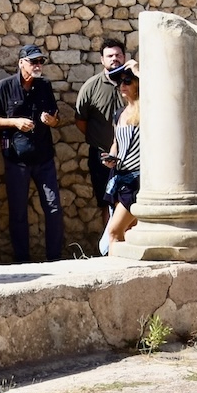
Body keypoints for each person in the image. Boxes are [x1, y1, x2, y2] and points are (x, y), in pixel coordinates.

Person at [0, 44, 65, 263]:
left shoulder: (44, 86)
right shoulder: (4, 86)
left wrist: (52, 121)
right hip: (17, 160)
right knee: (18, 213)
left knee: (53, 208)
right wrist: (14, 122)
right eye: (33, 61)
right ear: (21, 63)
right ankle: (22, 260)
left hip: (44, 159)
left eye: (40, 61)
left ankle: (55, 258)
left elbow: (56, 117)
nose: (37, 65)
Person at [73, 37, 127, 231]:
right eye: (110, 56)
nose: (114, 59)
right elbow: (80, 120)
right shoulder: (91, 87)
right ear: (102, 60)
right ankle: (110, 247)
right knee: (107, 202)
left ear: (125, 57)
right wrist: (98, 140)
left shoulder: (134, 84)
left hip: (133, 157)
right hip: (102, 155)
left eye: (118, 55)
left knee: (131, 201)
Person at [103, 61, 142, 246]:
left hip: (137, 180)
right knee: (128, 233)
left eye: (128, 81)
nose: (122, 86)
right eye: (120, 82)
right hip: (119, 177)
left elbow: (160, 96)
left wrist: (137, 71)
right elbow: (116, 143)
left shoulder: (148, 110)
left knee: (114, 232)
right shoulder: (119, 113)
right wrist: (111, 157)